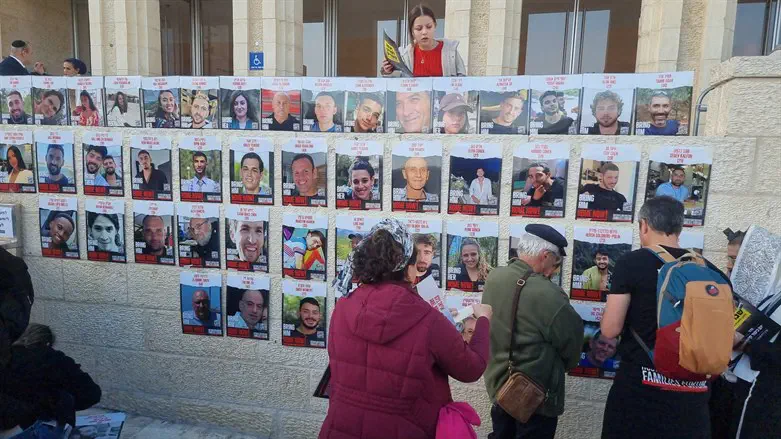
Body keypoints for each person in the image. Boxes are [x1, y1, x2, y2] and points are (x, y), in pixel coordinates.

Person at [321, 218, 492, 439]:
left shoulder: (343, 308)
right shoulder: (428, 318)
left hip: (341, 429)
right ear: (408, 268)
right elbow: (471, 368)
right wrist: (484, 320)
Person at [600, 196, 729, 439]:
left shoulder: (631, 263)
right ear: (680, 228)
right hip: (694, 395)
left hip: (642, 390)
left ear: (644, 225)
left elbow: (610, 329)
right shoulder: (712, 270)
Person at [482, 224, 582, 438]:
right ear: (545, 256)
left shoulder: (494, 278)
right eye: (555, 265)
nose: (553, 272)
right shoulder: (550, 294)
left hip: (501, 389)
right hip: (536, 398)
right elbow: (572, 347)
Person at [0, 324, 100, 435]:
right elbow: (92, 393)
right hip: (37, 427)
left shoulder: (5, 356)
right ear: (47, 343)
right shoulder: (52, 358)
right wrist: (60, 403)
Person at [381, 4, 466, 77]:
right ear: (412, 31)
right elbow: (395, 85)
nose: (424, 32)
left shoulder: (450, 51)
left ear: (435, 26)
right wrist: (387, 71)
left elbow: (463, 83)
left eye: (429, 27)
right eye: (419, 29)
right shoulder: (403, 56)